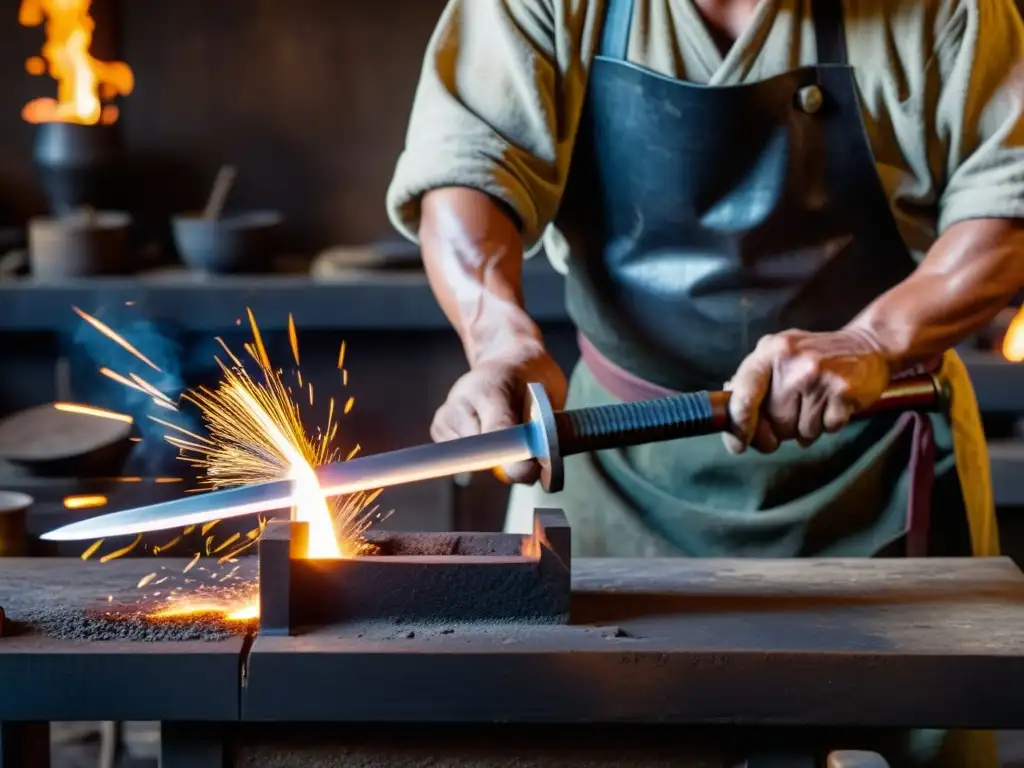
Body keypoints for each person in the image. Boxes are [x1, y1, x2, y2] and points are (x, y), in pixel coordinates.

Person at [387, 0, 1024, 763]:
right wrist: (499, 342)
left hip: (876, 461)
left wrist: (872, 338)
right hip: (608, 458)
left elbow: (1009, 203)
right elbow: (466, 173)